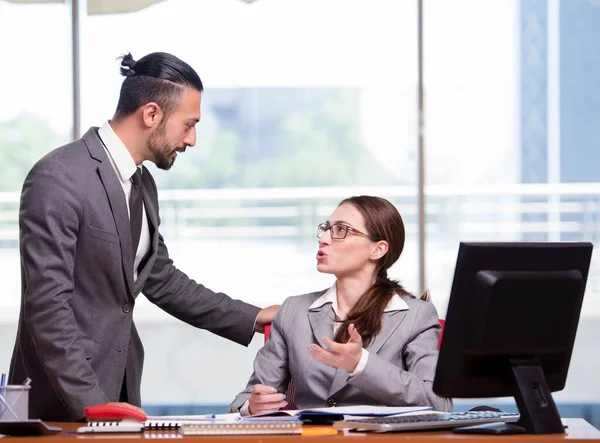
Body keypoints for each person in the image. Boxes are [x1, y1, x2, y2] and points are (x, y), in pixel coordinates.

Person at [8, 52, 278, 422]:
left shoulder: (142, 183)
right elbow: (47, 308)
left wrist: (253, 317)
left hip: (118, 388)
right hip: (61, 403)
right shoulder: (59, 176)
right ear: (151, 114)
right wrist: (92, 405)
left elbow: (160, 278)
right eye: (188, 124)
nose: (193, 139)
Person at [229, 196, 452, 415]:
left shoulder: (416, 315)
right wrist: (253, 405)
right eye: (326, 228)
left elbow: (437, 402)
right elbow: (246, 398)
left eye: (341, 230)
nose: (324, 238)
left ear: (378, 249)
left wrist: (361, 363)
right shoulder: (293, 310)